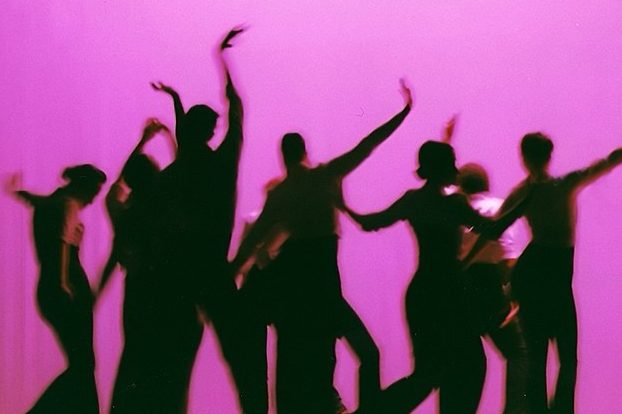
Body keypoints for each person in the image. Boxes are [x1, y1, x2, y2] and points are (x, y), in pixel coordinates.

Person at [233, 81, 412, 413]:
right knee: (364, 354)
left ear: (282, 157)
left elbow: (252, 240)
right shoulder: (324, 176)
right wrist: (403, 113)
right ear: (304, 151)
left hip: (299, 285)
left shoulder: (280, 195)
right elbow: (367, 145)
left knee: (295, 364)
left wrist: (230, 274)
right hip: (322, 280)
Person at [347, 141, 527, 414]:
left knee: (427, 374)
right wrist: (529, 198)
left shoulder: (413, 201)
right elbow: (494, 229)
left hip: (421, 293)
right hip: (450, 293)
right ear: (445, 168)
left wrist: (342, 206)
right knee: (470, 365)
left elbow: (370, 222)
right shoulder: (454, 204)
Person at [149, 27, 265, 413]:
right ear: (209, 131)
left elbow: (188, 132)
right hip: (212, 267)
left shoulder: (182, 168)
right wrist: (221, 59)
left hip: (180, 269)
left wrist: (178, 100)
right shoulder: (221, 163)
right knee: (241, 352)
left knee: (176, 358)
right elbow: (238, 109)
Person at [496, 133, 622, 413]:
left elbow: (492, 227)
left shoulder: (526, 192)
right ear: (548, 157)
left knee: (542, 355)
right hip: (551, 272)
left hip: (538, 273)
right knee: (564, 356)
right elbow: (605, 163)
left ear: (524, 158)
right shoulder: (559, 186)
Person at [10, 164, 106, 413]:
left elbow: (33, 200)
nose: (94, 199)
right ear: (82, 186)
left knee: (81, 363)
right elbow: (63, 243)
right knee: (83, 364)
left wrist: (18, 192)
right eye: (93, 192)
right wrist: (63, 281)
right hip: (69, 284)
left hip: (48, 288)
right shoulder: (69, 205)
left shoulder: (52, 201)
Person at [96, 119, 175, 413]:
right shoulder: (163, 206)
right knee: (159, 358)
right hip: (164, 288)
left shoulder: (124, 211)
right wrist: (168, 139)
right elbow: (182, 172)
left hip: (137, 286)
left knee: (134, 353)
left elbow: (119, 182)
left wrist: (142, 140)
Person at [457, 163, 529, 414]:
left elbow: (441, 190)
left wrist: (446, 139)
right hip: (488, 284)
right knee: (518, 353)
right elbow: (507, 258)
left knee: (469, 361)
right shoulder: (497, 208)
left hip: (460, 288)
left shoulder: (455, 210)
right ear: (486, 185)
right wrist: (511, 294)